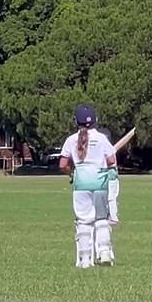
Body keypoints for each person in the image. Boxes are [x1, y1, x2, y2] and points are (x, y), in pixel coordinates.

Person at [59, 104, 117, 267]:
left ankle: (85, 259)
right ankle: (104, 252)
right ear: (95, 120)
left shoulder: (71, 140)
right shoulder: (102, 138)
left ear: (75, 121)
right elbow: (112, 160)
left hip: (81, 183)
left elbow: (63, 164)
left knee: (84, 221)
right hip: (100, 182)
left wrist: (72, 172)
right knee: (101, 218)